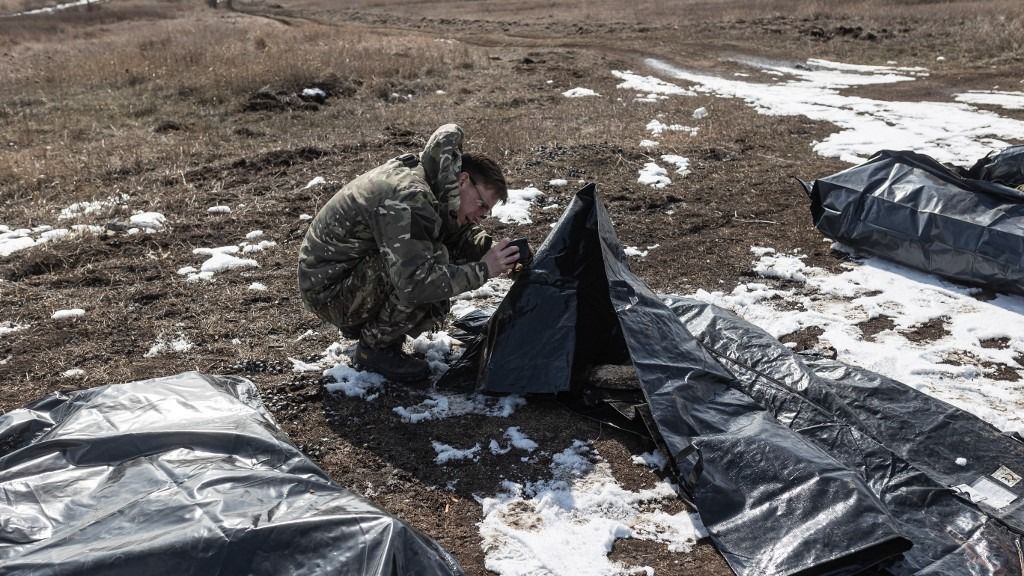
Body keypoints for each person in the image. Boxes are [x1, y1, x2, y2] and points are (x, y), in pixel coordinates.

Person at [297, 124, 520, 382]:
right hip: (329, 292)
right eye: (481, 205)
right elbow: (415, 283)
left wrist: (494, 251)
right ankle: (375, 349)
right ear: (463, 181)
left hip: (344, 277)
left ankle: (369, 326)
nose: (481, 216)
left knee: (431, 254)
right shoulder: (410, 195)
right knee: (428, 265)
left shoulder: (434, 182)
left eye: (487, 211)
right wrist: (484, 269)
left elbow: (450, 231)